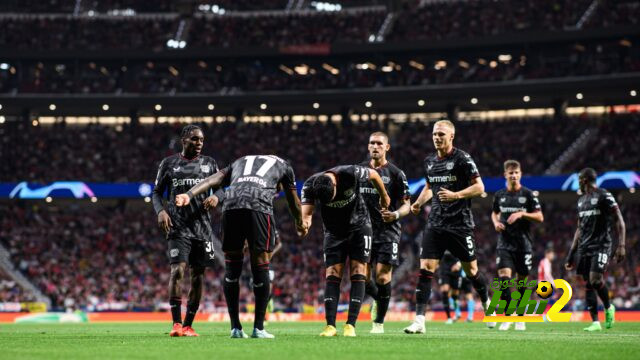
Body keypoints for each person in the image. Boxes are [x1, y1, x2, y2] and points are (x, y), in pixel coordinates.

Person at [176, 155, 306, 339]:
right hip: (258, 206)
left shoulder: (239, 161)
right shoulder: (285, 167)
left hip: (230, 207)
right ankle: (258, 328)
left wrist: (189, 194)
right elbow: (294, 201)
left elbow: (214, 179)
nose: (277, 192)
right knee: (261, 263)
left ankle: (235, 328)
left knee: (232, 268)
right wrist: (300, 222)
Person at [404, 120, 490, 334]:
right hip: (435, 224)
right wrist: (418, 202)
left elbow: (480, 187)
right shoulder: (429, 161)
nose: (436, 137)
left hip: (460, 224)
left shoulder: (462, 158)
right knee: (425, 269)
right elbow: (429, 187)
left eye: (441, 134)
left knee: (472, 271)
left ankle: (488, 304)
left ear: (452, 136)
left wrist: (456, 195)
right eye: (434, 134)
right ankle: (420, 321)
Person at [152, 124, 225, 337]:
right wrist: (160, 212)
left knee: (198, 276)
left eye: (201, 139)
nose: (199, 143)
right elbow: (156, 192)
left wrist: (216, 197)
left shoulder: (210, 163)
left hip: (203, 229)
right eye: (194, 139)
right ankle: (176, 324)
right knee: (177, 271)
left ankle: (188, 325)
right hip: (177, 226)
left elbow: (222, 187)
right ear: (184, 139)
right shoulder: (169, 164)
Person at [300, 165, 390, 337]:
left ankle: (350, 325)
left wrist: (384, 195)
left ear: (335, 185)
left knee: (358, 271)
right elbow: (307, 214)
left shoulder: (350, 172)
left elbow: (374, 174)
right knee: (332, 274)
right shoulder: (310, 185)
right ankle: (330, 326)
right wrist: (304, 225)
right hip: (333, 232)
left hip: (360, 226)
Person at [359, 132, 411, 334]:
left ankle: (378, 323)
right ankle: (380, 299)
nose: (375, 146)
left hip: (388, 231)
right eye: (371, 143)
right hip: (363, 230)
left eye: (379, 143)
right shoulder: (359, 170)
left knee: (382, 277)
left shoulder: (396, 174)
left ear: (387, 147)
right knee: (362, 277)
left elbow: (407, 205)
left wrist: (396, 214)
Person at [565, 168, 626, 332]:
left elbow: (619, 219)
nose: (578, 182)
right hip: (585, 247)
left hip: (601, 245)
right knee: (588, 284)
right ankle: (595, 322)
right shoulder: (581, 201)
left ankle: (608, 307)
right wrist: (571, 253)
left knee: (596, 280)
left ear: (584, 180)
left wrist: (621, 245)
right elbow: (579, 228)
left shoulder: (604, 195)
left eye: (579, 179)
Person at [491, 159, 544, 331]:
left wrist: (522, 213)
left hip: (523, 244)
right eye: (510, 173)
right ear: (505, 175)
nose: (513, 176)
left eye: (516, 173)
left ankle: (520, 317)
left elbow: (540, 217)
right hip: (504, 243)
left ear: (520, 174)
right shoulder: (499, 195)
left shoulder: (528, 195)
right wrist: (495, 223)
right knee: (504, 278)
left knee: (522, 282)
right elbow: (494, 213)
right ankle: (508, 315)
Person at [437, 251, 462, 324]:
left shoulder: (457, 240)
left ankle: (457, 312)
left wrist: (459, 263)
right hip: (444, 269)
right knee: (445, 291)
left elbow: (465, 249)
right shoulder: (439, 240)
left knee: (455, 295)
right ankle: (449, 317)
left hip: (455, 267)